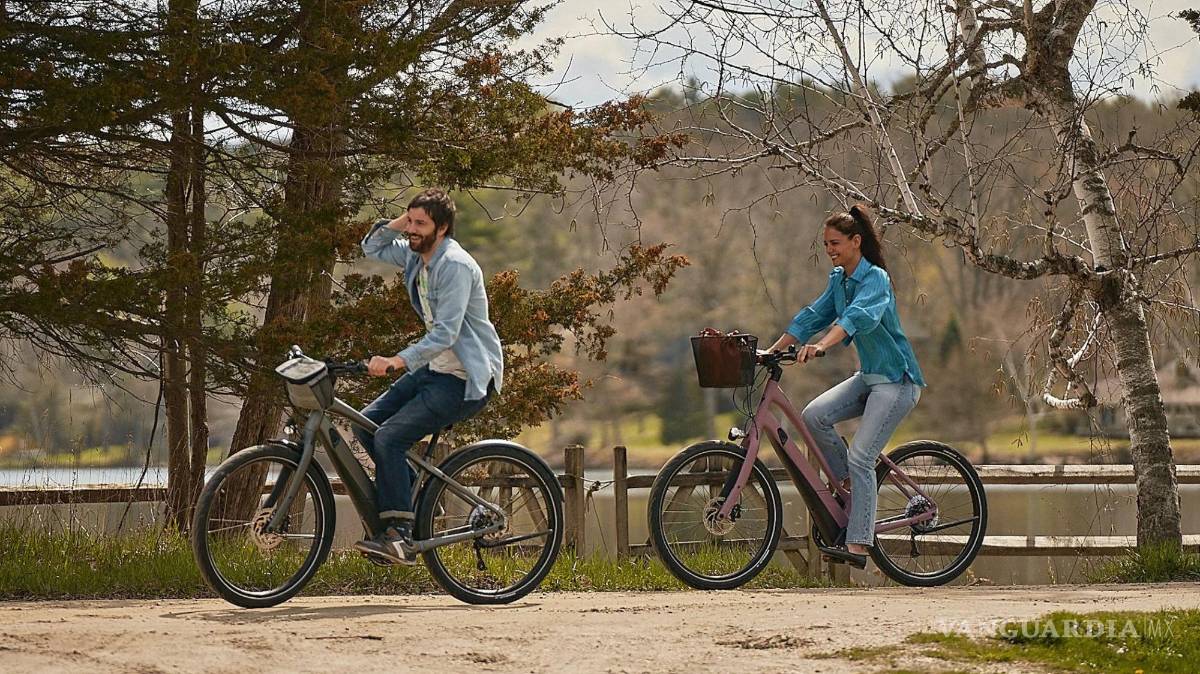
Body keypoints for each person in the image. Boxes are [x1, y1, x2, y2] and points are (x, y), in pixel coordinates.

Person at [767, 204, 925, 569]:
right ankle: (850, 485)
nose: (829, 250)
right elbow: (813, 315)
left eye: (835, 243)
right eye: (825, 244)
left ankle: (858, 545)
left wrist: (822, 345)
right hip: (868, 377)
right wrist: (772, 350)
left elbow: (856, 317)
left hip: (897, 381)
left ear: (856, 241)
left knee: (862, 457)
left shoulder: (876, 279)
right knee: (814, 416)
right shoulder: (839, 279)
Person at [352, 188, 504, 565]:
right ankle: (415, 504)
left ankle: (399, 534)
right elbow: (371, 247)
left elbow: (446, 334)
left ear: (443, 228)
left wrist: (397, 360)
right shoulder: (415, 254)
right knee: (365, 424)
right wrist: (400, 222)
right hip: (435, 369)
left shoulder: (454, 265)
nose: (412, 230)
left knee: (389, 438)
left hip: (466, 378)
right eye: (411, 221)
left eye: (421, 224)